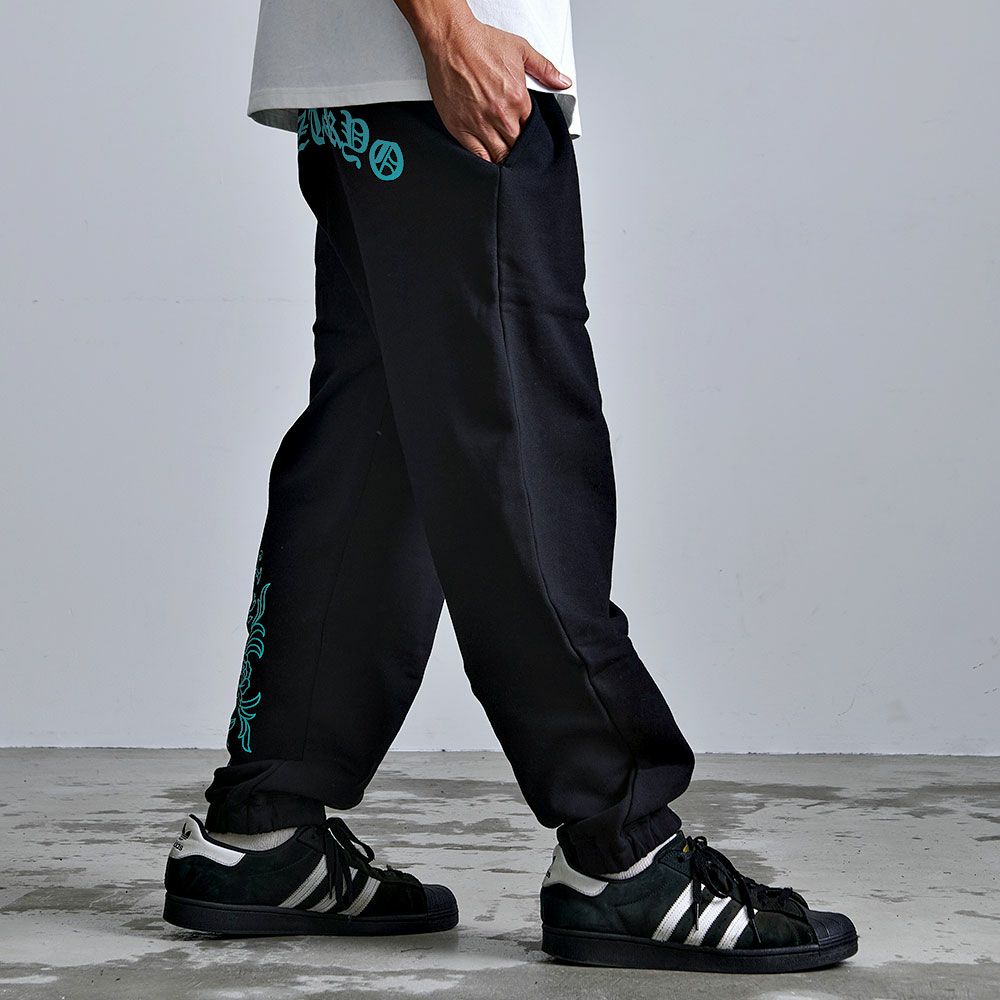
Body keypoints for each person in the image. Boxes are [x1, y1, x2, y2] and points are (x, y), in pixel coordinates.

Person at [162, 0, 857, 973]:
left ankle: (262, 832)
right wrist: (447, 27)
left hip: (368, 79)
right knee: (520, 449)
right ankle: (620, 849)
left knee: (375, 459)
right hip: (450, 74)